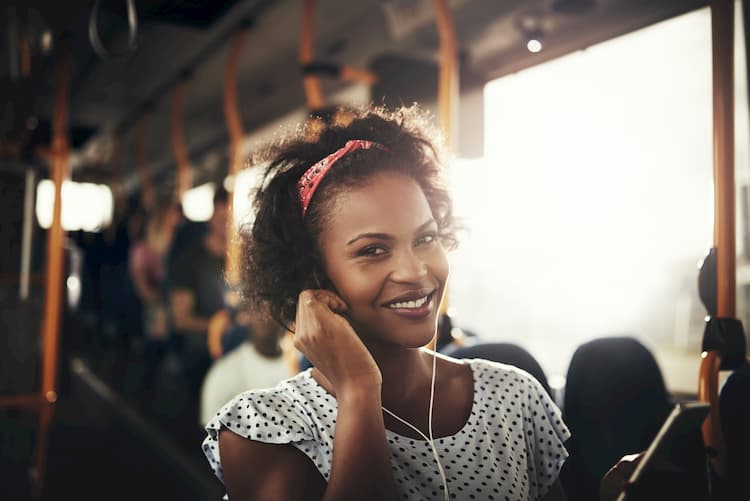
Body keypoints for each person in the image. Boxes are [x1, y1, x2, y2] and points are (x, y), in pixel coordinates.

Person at [201, 105, 571, 500]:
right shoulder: (264, 429)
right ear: (314, 277)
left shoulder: (514, 395)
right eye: (374, 250)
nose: (414, 272)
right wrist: (360, 390)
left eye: (425, 239)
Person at [169, 186, 229, 397]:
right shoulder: (189, 261)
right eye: (223, 217)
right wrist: (220, 326)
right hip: (200, 355)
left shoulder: (244, 261)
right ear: (211, 218)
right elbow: (181, 319)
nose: (227, 225)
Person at [199, 306, 296, 426]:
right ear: (247, 316)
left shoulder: (304, 361)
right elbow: (211, 432)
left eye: (274, 307)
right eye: (259, 308)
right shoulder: (225, 372)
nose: (266, 316)